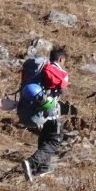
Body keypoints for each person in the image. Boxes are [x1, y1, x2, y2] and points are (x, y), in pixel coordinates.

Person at [24, 46, 69, 180]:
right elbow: (63, 86)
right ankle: (31, 162)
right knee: (55, 140)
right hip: (52, 112)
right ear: (61, 59)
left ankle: (42, 169)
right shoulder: (58, 71)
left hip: (40, 111)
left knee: (45, 138)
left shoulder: (42, 69)